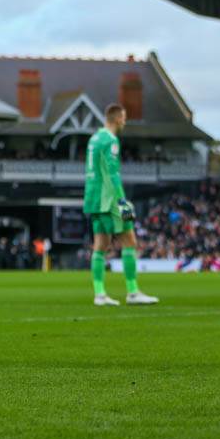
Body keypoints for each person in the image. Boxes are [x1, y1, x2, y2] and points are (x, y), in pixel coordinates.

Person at [84, 103, 158, 307]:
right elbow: (112, 172)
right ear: (117, 119)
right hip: (109, 198)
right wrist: (122, 201)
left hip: (93, 197)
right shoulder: (110, 140)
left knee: (100, 246)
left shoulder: (94, 138)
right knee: (130, 241)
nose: (125, 121)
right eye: (124, 118)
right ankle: (133, 292)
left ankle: (99, 294)